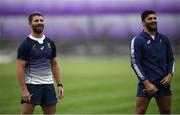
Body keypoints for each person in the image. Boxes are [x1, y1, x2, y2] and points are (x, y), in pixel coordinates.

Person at [16, 12, 64, 114]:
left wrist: (59, 84)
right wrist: (24, 89)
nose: (39, 23)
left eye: (41, 20)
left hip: (48, 86)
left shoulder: (50, 43)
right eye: (36, 21)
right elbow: (20, 67)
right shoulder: (26, 44)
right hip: (32, 86)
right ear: (30, 24)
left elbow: (54, 64)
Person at [130, 10, 175, 114]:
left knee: (166, 111)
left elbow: (171, 59)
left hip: (163, 83)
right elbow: (135, 62)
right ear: (143, 22)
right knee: (140, 112)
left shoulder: (164, 39)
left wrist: (169, 75)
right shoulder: (137, 40)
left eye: (154, 18)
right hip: (147, 83)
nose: (153, 20)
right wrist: (146, 82)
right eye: (150, 19)